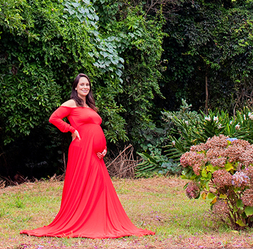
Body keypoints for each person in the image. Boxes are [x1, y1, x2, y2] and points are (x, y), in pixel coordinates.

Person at [21, 73, 154, 238]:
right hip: (81, 148)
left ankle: (98, 219)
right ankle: (82, 218)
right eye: (82, 84)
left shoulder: (90, 106)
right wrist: (71, 129)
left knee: (99, 184)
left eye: (87, 85)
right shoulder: (71, 103)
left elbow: (96, 128)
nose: (85, 87)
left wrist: (103, 147)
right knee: (83, 182)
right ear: (76, 87)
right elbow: (54, 118)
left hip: (96, 153)